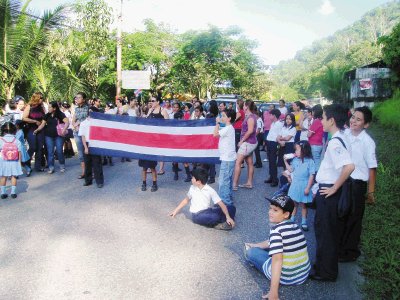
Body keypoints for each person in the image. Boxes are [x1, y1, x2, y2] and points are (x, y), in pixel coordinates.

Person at [309, 104, 355, 282]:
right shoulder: (341, 136)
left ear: (332, 120)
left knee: (326, 232)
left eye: (323, 117)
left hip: (329, 192)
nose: (321, 121)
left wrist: (335, 187)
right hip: (329, 190)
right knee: (327, 231)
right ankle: (323, 267)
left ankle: (326, 272)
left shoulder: (336, 141)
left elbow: (349, 166)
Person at [244, 194, 310, 300]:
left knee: (251, 253)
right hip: (302, 275)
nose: (270, 212)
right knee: (265, 247)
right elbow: (271, 242)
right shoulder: (294, 226)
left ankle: (255, 258)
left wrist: (273, 292)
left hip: (287, 277)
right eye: (270, 209)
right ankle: (257, 248)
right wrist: (256, 244)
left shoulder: (276, 231)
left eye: (275, 210)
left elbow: (277, 261)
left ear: (286, 214)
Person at [338, 106, 377, 262]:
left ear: (366, 125)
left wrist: (371, 192)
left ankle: (350, 252)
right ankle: (340, 247)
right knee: (341, 215)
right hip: (343, 181)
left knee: (354, 219)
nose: (353, 121)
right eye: (353, 117)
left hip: (357, 185)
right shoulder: (345, 134)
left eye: (358, 119)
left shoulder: (367, 142)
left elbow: (372, 168)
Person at [169, 168, 236, 230]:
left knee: (232, 208)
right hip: (197, 215)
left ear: (198, 181)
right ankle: (223, 223)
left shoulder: (210, 190)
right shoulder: (192, 188)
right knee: (214, 217)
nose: (191, 179)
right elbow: (186, 200)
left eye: (193, 178)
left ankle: (228, 222)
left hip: (208, 211)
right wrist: (175, 210)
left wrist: (228, 217)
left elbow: (221, 204)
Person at [138, 96, 169, 192]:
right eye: (150, 101)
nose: (151, 102)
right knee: (143, 166)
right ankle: (144, 183)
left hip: (156, 141)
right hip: (146, 141)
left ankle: (154, 184)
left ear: (158, 102)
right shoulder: (150, 111)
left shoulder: (163, 111)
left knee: (152, 166)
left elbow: (168, 126)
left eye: (153, 101)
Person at [284, 141, 315, 231]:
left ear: (304, 150)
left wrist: (308, 188)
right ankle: (292, 219)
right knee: (294, 203)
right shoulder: (295, 160)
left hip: (304, 184)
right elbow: (290, 169)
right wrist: (285, 161)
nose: (295, 152)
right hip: (295, 184)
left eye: (297, 150)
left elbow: (311, 175)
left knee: (304, 205)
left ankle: (304, 221)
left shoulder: (310, 161)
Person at [35, 101, 69, 174]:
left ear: (54, 108)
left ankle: (62, 165)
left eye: (50, 107)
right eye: (48, 107)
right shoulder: (47, 115)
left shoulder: (60, 114)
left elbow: (67, 122)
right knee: (50, 152)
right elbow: (43, 124)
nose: (48, 108)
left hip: (59, 136)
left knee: (59, 151)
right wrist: (37, 130)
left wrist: (64, 129)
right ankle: (51, 167)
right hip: (48, 136)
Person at [214, 109, 237, 213]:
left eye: (223, 116)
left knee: (223, 181)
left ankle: (225, 203)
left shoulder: (228, 128)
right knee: (226, 180)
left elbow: (215, 134)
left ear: (229, 118)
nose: (222, 117)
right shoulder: (228, 128)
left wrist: (217, 123)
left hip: (227, 159)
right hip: (228, 158)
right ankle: (227, 199)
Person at [233, 100, 258, 190]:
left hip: (248, 143)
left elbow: (250, 131)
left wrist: (241, 141)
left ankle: (234, 185)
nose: (242, 107)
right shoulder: (250, 116)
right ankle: (249, 183)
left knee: (238, 162)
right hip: (250, 143)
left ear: (246, 106)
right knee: (250, 163)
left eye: (243, 105)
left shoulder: (251, 117)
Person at [22, 92, 46, 173]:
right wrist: (34, 121)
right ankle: (26, 163)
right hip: (31, 129)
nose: (42, 99)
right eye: (41, 98)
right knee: (33, 147)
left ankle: (38, 167)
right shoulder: (29, 106)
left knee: (39, 148)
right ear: (36, 98)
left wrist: (42, 123)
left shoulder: (42, 107)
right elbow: (24, 118)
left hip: (41, 129)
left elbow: (45, 117)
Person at [79, 116, 104, 188]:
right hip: (86, 143)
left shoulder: (97, 122)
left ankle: (99, 181)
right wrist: (86, 147)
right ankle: (88, 180)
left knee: (97, 163)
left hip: (95, 143)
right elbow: (83, 136)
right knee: (87, 163)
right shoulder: (83, 123)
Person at [0, 122, 23, 199]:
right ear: (14, 130)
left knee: (3, 176)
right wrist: (19, 163)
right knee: (14, 176)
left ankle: (3, 193)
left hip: (4, 161)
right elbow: (19, 153)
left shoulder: (1, 140)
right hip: (14, 161)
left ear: (3, 130)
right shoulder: (17, 141)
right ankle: (13, 193)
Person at [72, 92, 89, 179]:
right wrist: (76, 126)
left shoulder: (88, 109)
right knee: (81, 152)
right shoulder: (76, 109)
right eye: (76, 97)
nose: (77, 99)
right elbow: (73, 121)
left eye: (79, 97)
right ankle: (84, 172)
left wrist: (79, 123)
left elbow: (88, 120)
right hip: (78, 133)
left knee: (88, 151)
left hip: (86, 133)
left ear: (84, 99)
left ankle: (91, 171)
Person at [265, 109, 283, 187]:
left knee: (273, 161)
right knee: (270, 161)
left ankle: (275, 179)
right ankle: (271, 177)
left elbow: (280, 135)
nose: (270, 116)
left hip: (274, 143)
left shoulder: (279, 124)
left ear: (274, 116)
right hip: (269, 142)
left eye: (271, 115)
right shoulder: (273, 123)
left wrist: (278, 144)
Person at [308, 105, 324, 171]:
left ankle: (317, 176)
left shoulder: (316, 121)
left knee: (316, 161)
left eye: (313, 111)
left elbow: (309, 134)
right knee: (318, 160)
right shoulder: (322, 120)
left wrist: (309, 124)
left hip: (314, 144)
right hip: (320, 143)